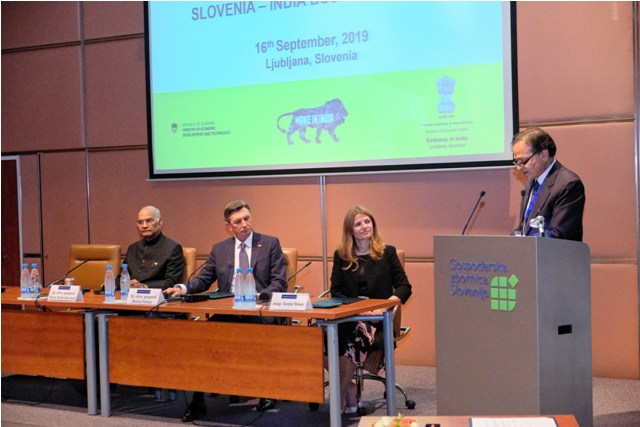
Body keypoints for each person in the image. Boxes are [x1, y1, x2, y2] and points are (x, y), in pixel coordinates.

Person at [165, 200, 287, 421]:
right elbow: (203, 280)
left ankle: (266, 391)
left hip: (259, 311)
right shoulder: (220, 249)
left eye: (247, 218)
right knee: (202, 338)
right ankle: (198, 400)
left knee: (256, 335)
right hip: (228, 311)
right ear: (228, 226)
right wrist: (182, 288)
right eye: (238, 221)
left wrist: (260, 296)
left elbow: (279, 282)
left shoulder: (270, 243)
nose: (244, 224)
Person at [329, 205, 412, 414]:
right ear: (350, 230)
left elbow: (404, 287)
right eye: (358, 224)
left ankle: (338, 400)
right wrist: (356, 310)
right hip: (350, 316)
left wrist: (385, 305)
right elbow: (336, 291)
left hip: (379, 320)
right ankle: (349, 388)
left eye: (367, 221)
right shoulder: (341, 256)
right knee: (321, 335)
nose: (365, 226)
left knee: (354, 336)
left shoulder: (387, 253)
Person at [512, 127, 585, 241]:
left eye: (523, 161)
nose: (519, 168)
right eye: (516, 162)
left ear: (544, 154)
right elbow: (524, 228)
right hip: (533, 250)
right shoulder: (532, 182)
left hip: (556, 252)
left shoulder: (568, 184)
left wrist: (525, 244)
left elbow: (558, 234)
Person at [117, 206, 185, 290]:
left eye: (149, 221)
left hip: (155, 296)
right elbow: (121, 278)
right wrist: (108, 284)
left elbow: (171, 282)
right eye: (140, 222)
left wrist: (144, 286)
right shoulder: (132, 248)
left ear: (160, 222)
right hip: (129, 295)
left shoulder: (173, 248)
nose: (144, 226)